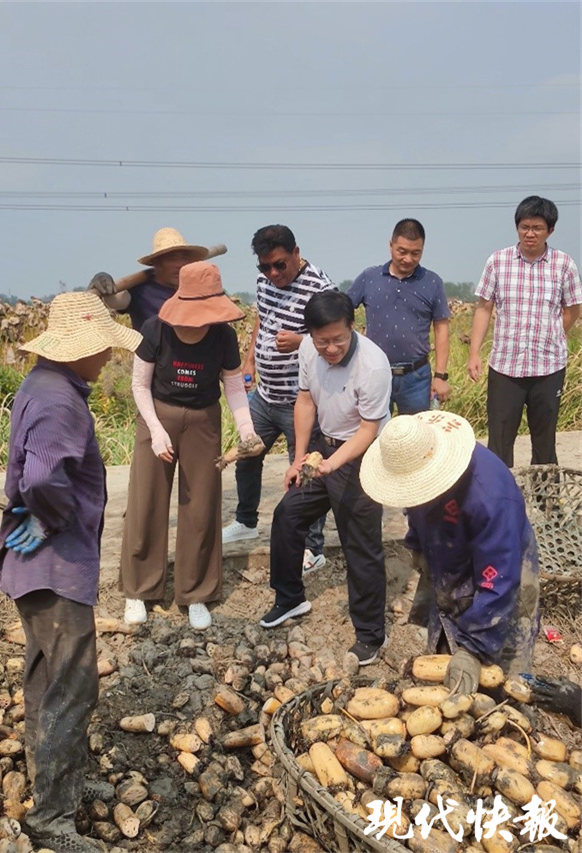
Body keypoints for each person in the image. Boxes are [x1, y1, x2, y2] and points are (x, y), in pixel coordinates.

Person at [0, 291, 142, 853]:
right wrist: (55, 522)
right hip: (53, 563)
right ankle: (52, 817)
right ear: (76, 351)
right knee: (73, 686)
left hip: (38, 562)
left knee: (44, 676)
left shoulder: (42, 384)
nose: (106, 358)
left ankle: (55, 780)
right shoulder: (60, 403)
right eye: (100, 349)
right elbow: (41, 480)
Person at [120, 261, 261, 628]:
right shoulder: (155, 330)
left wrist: (246, 429)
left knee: (200, 504)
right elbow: (139, 386)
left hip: (203, 420)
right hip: (158, 415)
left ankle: (196, 593)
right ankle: (139, 589)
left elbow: (232, 385)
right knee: (147, 502)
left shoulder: (223, 336)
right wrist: (155, 429)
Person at [359, 412, 540, 695]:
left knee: (502, 675)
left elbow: (500, 581)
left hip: (503, 565)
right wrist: (418, 544)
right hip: (448, 544)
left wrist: (473, 648)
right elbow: (414, 505)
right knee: (448, 638)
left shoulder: (489, 497)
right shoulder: (418, 463)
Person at [259, 291, 392, 665]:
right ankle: (290, 598)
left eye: (339, 339)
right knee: (288, 514)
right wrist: (300, 458)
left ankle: (370, 635)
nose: (331, 348)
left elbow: (368, 430)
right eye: (323, 341)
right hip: (322, 447)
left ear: (353, 328)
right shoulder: (307, 350)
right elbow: (305, 401)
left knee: (361, 545)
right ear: (311, 335)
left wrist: (335, 464)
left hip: (360, 456)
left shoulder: (374, 367)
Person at [222, 224, 336, 574]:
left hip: (301, 401)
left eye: (279, 265)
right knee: (247, 455)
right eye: (264, 267)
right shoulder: (264, 284)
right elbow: (262, 320)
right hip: (265, 395)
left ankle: (312, 549)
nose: (273, 274)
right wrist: (250, 360)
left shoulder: (321, 288)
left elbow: (335, 340)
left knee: (304, 474)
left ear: (296, 253)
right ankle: (246, 520)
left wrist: (302, 341)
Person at [468, 196, 582, 467]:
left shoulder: (564, 264)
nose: (530, 234)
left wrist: (553, 333)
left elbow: (573, 309)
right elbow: (484, 308)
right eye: (525, 227)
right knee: (499, 441)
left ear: (550, 230)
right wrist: (474, 353)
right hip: (506, 366)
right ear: (517, 227)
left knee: (544, 443)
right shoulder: (498, 261)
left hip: (549, 367)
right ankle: (499, 503)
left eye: (537, 228)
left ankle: (546, 504)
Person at [347, 218, 451, 413]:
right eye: (402, 251)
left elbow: (441, 329)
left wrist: (440, 376)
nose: (408, 259)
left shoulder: (432, 282)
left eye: (415, 253)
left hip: (416, 377)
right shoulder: (370, 278)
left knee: (416, 437)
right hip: (375, 373)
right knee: (373, 435)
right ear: (391, 245)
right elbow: (341, 311)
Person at [88, 226, 209, 331]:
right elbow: (115, 300)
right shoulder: (140, 291)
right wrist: (104, 283)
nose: (179, 264)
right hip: (151, 357)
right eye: (172, 258)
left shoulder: (198, 290)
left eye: (184, 258)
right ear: (157, 263)